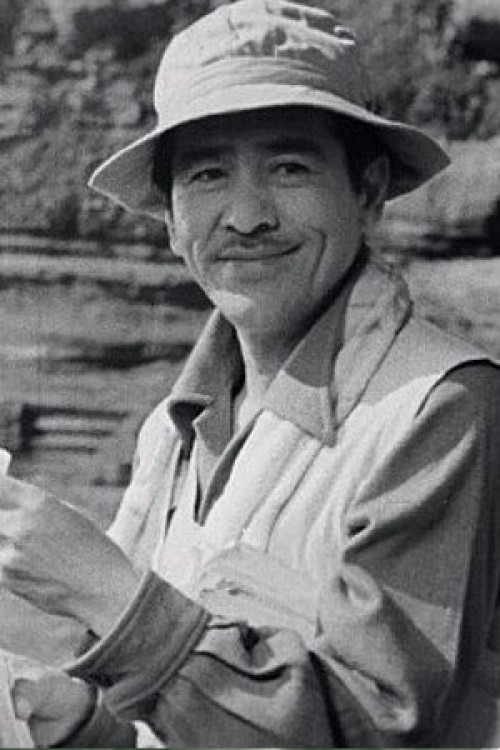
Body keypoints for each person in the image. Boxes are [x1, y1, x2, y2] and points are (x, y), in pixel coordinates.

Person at [1, 0, 500, 746]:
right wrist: (78, 724)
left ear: (366, 192)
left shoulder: (441, 409)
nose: (245, 216)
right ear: (170, 220)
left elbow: (379, 729)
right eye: (207, 174)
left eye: (289, 167)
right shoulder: (173, 433)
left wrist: (110, 595)